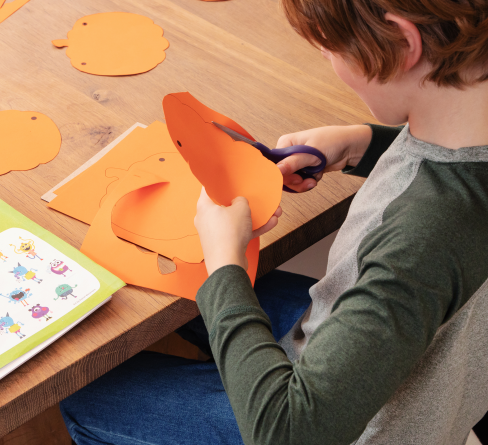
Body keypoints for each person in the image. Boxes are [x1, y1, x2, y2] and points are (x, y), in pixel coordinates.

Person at [60, 1, 488, 444]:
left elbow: (289, 432)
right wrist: (363, 144)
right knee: (178, 302)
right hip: (404, 354)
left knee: (86, 393)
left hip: (343, 425)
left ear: (402, 42)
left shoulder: (421, 243)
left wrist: (225, 265)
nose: (328, 62)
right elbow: (457, 173)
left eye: (328, 50)